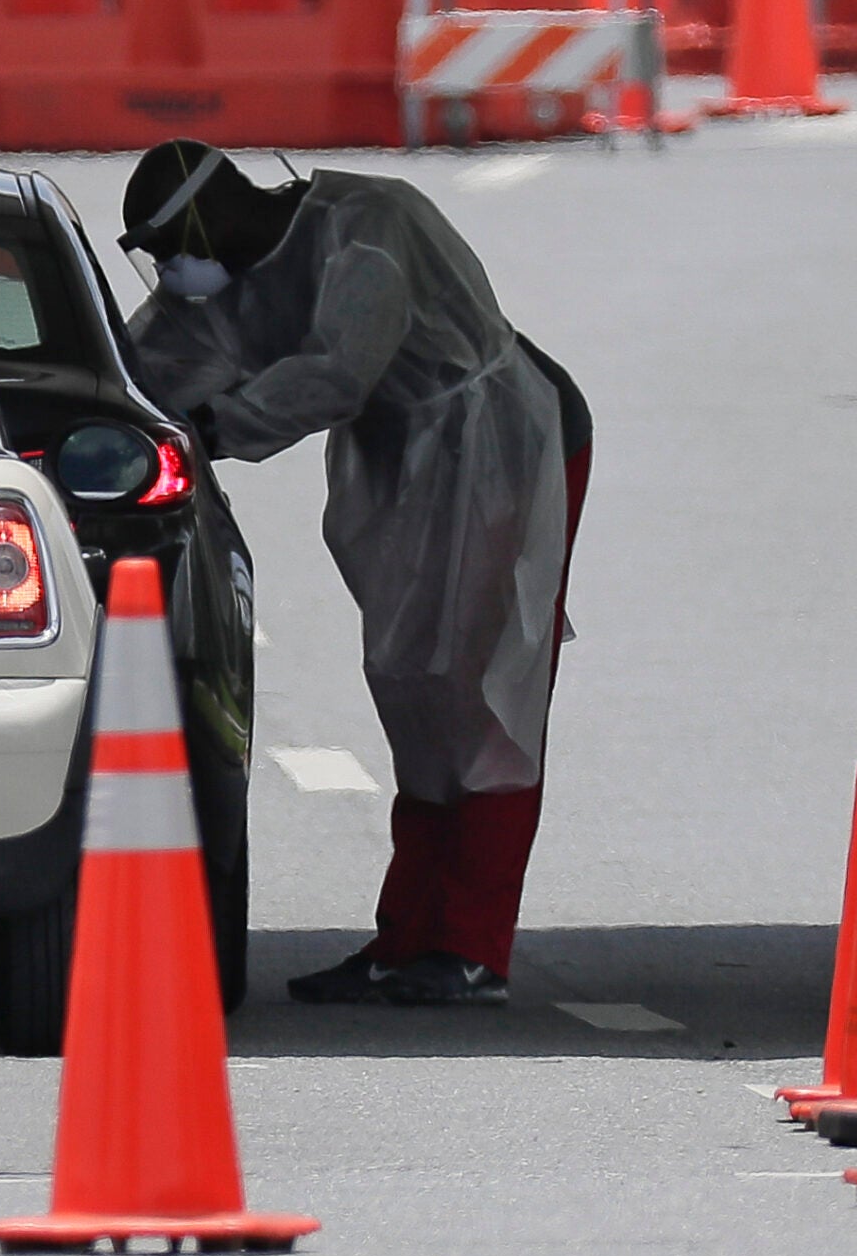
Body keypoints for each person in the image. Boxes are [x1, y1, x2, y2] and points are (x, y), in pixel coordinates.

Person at [118, 140, 590, 1005]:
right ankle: (408, 938)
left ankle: (473, 946)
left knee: (483, 692)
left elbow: (339, 369)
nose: (167, 267)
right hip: (406, 460)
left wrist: (217, 429)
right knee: (412, 686)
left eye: (164, 243)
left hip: (497, 447)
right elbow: (149, 360)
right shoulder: (237, 275)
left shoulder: (367, 227)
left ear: (210, 209)